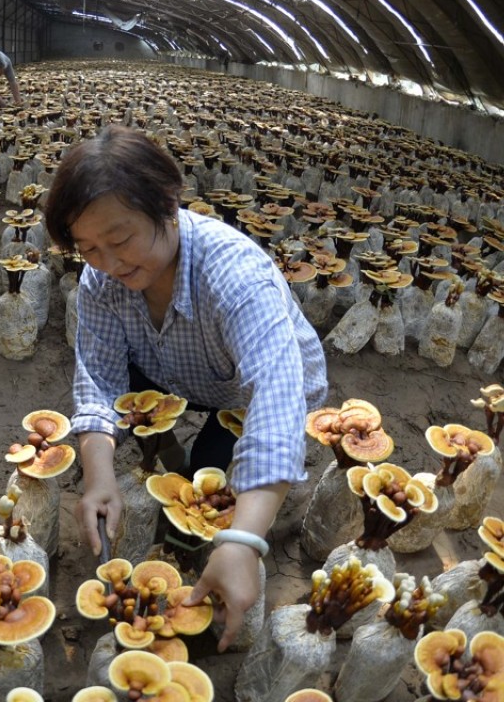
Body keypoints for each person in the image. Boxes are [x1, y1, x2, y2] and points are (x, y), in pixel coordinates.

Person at [45, 125, 328, 651]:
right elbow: (99, 373)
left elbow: (276, 394)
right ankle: (167, 450)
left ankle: (214, 518)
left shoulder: (236, 275)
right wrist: (98, 477)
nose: (107, 263)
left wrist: (244, 540)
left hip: (244, 389)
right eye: (87, 249)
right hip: (171, 369)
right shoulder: (102, 279)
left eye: (120, 238)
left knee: (214, 494)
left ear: (168, 206)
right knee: (164, 461)